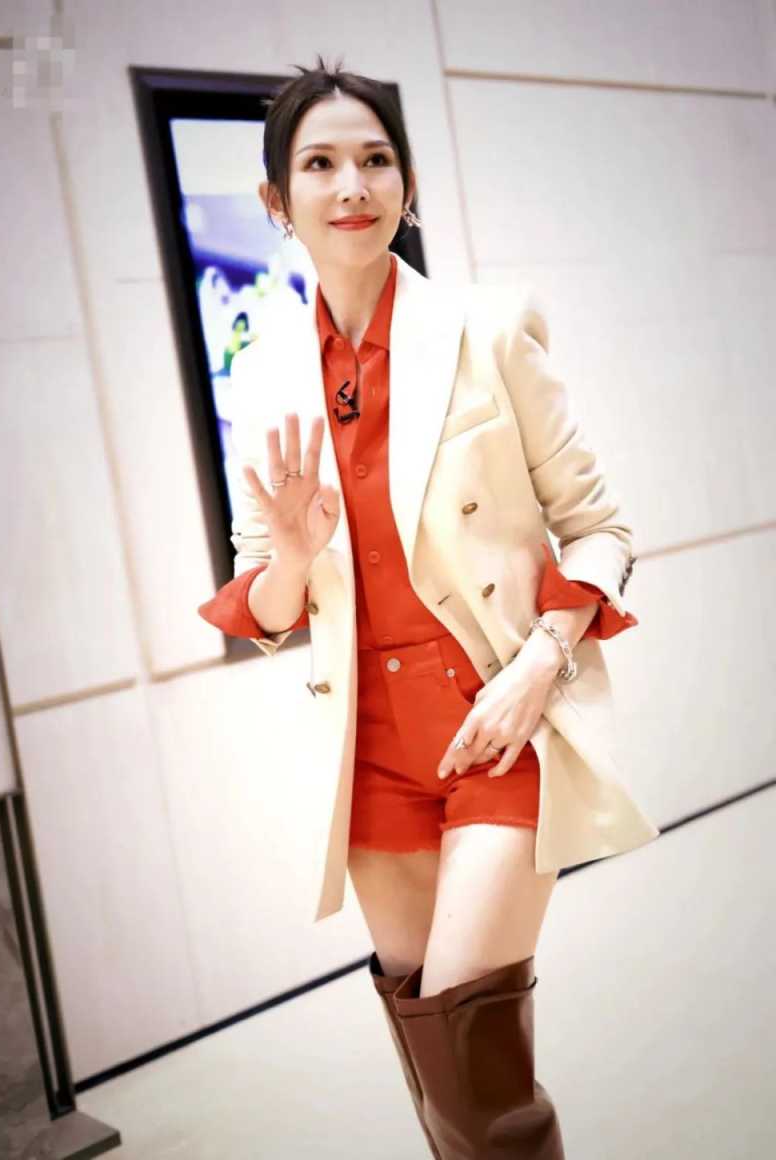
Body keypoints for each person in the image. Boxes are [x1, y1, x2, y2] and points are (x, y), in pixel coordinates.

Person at [197, 52, 660, 1160]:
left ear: (404, 186)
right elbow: (269, 601)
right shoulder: (262, 375)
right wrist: (293, 555)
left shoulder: (486, 329)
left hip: (498, 726)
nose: (351, 184)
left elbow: (601, 530)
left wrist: (537, 666)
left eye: (374, 159)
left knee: (471, 1045)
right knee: (439, 1068)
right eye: (319, 164)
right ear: (276, 199)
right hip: (370, 758)